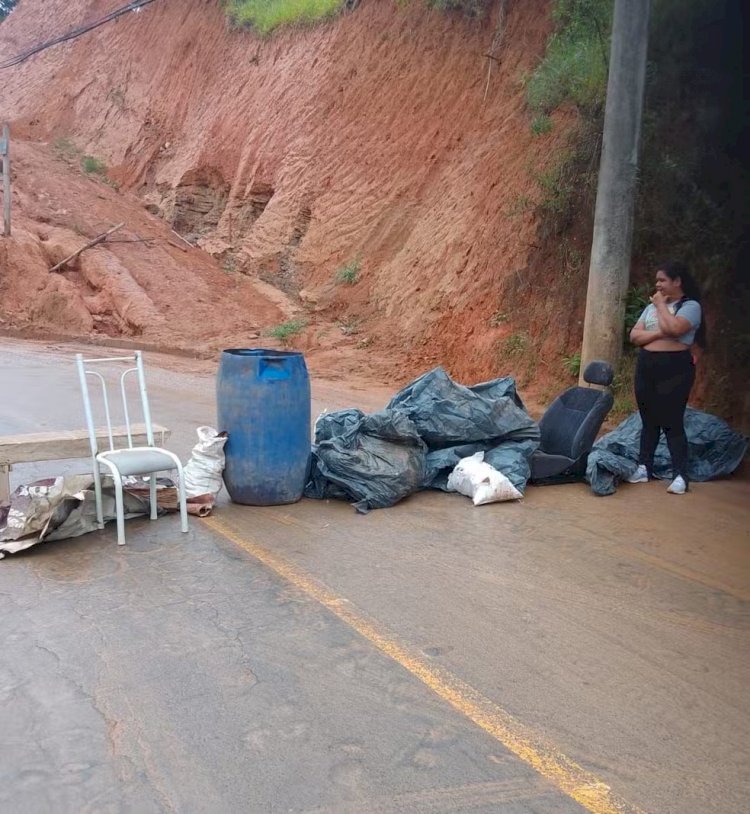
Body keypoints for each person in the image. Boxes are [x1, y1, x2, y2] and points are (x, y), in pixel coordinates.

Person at [627, 261, 705, 494]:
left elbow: (675, 329)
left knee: (672, 421)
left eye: (662, 280)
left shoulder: (690, 306)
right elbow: (634, 335)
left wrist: (661, 306)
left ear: (677, 281)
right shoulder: (650, 308)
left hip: (674, 368)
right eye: (657, 280)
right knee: (648, 419)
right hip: (646, 366)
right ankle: (644, 466)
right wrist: (660, 332)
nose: (657, 285)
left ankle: (680, 475)